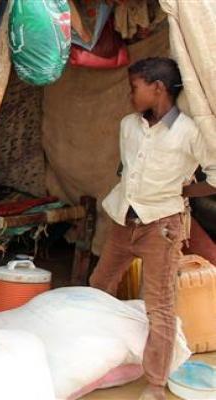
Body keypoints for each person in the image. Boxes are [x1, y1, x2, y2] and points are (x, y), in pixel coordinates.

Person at [89, 57, 215, 400]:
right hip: (122, 221)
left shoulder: (189, 132)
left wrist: (181, 191)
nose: (131, 95)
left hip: (162, 227)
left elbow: (214, 177)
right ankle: (101, 359)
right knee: (98, 287)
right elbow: (130, 172)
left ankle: (156, 384)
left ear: (157, 88)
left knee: (158, 306)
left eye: (134, 87)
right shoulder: (128, 125)